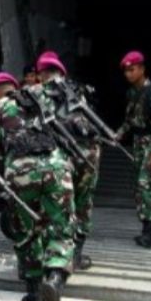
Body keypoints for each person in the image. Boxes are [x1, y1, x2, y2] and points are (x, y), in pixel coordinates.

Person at [0, 71, 74, 301]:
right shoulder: (39, 97)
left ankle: (35, 296)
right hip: (56, 165)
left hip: (21, 170)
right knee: (61, 228)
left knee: (27, 232)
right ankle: (54, 279)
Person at [36, 52, 100, 271]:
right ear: (62, 72)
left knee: (60, 203)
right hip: (89, 151)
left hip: (60, 153)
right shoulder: (79, 90)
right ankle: (77, 254)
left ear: (40, 74)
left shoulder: (37, 94)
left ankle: (58, 254)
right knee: (84, 201)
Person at [113, 51, 151, 248]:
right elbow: (130, 119)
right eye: (126, 71)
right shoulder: (132, 93)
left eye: (132, 70)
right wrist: (119, 134)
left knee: (145, 184)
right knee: (143, 187)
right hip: (139, 142)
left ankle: (148, 232)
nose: (128, 74)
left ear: (142, 69)